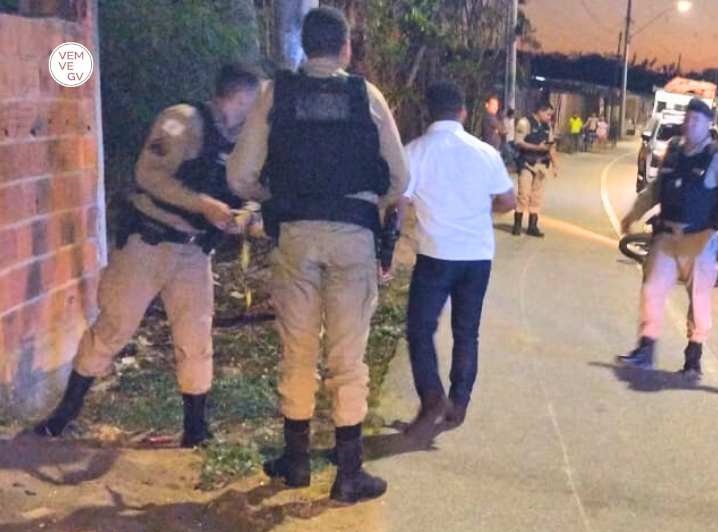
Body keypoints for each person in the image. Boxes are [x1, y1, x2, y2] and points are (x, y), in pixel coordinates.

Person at [228, 6, 409, 503]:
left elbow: (239, 176)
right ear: (346, 48)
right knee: (347, 359)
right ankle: (349, 475)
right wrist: (366, 201)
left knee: (298, 350)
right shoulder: (367, 97)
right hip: (352, 237)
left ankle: (296, 462)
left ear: (304, 47)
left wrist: (278, 197)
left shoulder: (275, 94)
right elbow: (400, 178)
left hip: (296, 237)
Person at [31, 64, 262, 446]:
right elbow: (149, 175)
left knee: (196, 338)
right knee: (113, 329)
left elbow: (250, 189)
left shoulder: (243, 140)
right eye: (255, 100)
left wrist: (248, 214)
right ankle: (62, 417)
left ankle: (196, 431)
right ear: (238, 97)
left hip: (193, 253)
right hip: (149, 244)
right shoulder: (182, 122)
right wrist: (203, 204)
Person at [399, 82, 516, 430]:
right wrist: (479, 210)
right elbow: (508, 201)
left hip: (435, 255)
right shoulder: (485, 152)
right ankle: (459, 403)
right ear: (462, 112)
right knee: (467, 332)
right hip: (477, 256)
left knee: (420, 328)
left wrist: (386, 249)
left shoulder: (415, 151)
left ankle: (432, 395)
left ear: (427, 112)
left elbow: (399, 203)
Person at [616, 98, 718, 380]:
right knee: (651, 290)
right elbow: (655, 190)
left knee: (699, 298)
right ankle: (645, 349)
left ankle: (693, 358)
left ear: (708, 124)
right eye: (688, 119)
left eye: (696, 120)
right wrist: (633, 214)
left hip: (700, 240)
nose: (690, 124)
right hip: (667, 236)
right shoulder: (673, 150)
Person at [511, 102, 557, 238]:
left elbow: (551, 147)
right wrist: (537, 148)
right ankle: (517, 225)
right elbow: (518, 142)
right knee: (523, 194)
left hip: (541, 165)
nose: (549, 117)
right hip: (527, 162)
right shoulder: (525, 123)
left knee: (536, 197)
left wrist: (555, 165)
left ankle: (532, 226)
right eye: (548, 114)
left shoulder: (547, 127)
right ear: (540, 111)